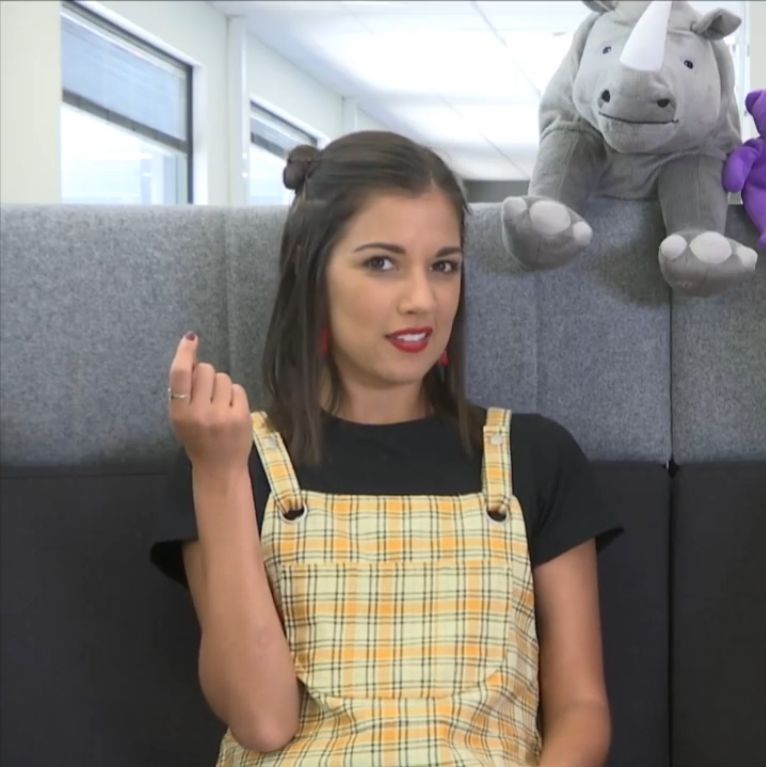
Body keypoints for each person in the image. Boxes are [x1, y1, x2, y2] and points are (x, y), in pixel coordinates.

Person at [149, 130, 618, 766]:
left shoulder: (535, 456)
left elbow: (581, 709)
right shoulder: (231, 455)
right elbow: (262, 719)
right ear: (310, 272)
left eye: (443, 266)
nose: (422, 300)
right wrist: (219, 475)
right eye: (381, 263)